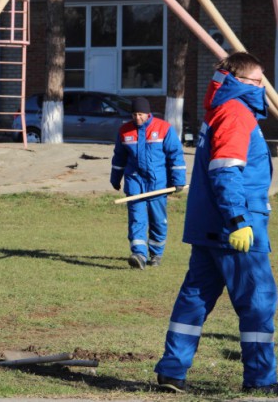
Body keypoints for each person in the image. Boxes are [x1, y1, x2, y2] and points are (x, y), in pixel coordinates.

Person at [154, 52, 277, 394]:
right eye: (259, 81)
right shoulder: (237, 114)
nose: (262, 87)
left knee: (195, 299)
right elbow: (226, 170)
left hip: (208, 226)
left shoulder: (219, 110)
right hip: (236, 229)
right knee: (258, 300)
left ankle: (172, 371)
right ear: (243, 82)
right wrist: (238, 220)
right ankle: (261, 380)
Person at [110, 97, 187, 269]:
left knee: (158, 220)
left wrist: (179, 180)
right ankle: (139, 254)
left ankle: (156, 254)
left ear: (148, 113)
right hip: (135, 181)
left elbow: (176, 155)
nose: (137, 118)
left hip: (158, 183)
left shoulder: (164, 128)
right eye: (134, 114)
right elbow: (119, 157)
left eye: (141, 114)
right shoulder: (125, 131)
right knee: (137, 219)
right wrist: (115, 178)